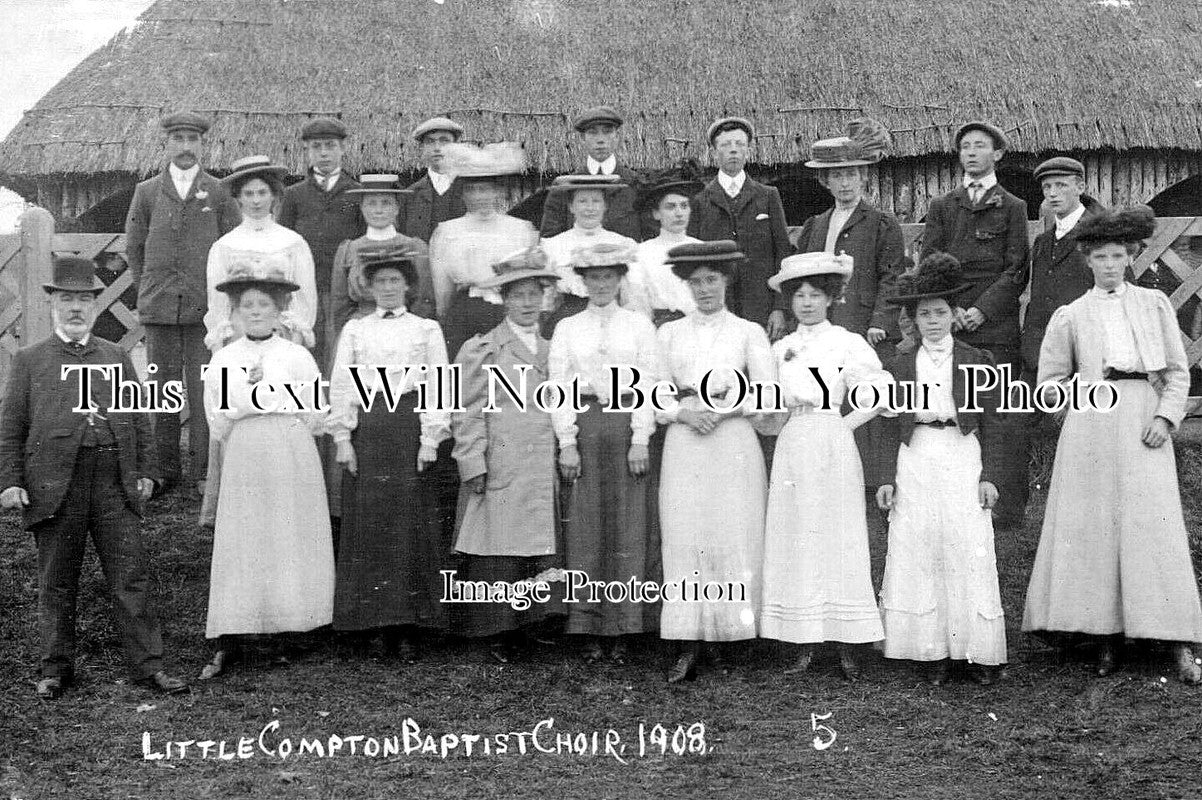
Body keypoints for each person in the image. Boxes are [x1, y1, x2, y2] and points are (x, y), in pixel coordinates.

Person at [1022, 206, 1202, 684]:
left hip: (1145, 415)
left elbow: (1178, 372)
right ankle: (1103, 636)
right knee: (1096, 527)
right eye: (1099, 257)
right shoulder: (1072, 315)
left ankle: (1172, 635)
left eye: (1117, 255)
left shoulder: (1154, 304)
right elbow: (1050, 380)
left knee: (1151, 522)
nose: (1108, 264)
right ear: (1088, 260)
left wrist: (1166, 416)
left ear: (1130, 257)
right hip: (1094, 418)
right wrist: (1075, 414)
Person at [0, 256, 187, 699]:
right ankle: (55, 668)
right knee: (57, 579)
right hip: (54, 483)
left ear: (96, 306)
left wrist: (146, 472)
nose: (76, 308)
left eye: (84, 299)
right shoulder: (30, 361)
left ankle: (149, 665)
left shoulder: (116, 356)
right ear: (53, 305)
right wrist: (10, 481)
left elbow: (139, 417)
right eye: (67, 299)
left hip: (112, 480)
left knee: (130, 574)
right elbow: (11, 427)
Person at [875, 253, 1008, 686]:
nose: (933, 321)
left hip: (961, 452)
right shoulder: (898, 364)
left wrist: (991, 475)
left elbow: (996, 422)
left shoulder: (976, 358)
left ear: (954, 316)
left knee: (965, 542)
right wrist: (885, 479)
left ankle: (976, 652)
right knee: (920, 544)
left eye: (940, 313)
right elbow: (884, 425)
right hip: (915, 454)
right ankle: (928, 651)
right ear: (912, 320)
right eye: (924, 314)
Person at [197, 266, 333, 680]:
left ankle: (286, 629)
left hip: (290, 447)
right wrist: (250, 408)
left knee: (286, 533)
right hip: (246, 449)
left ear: (280, 312)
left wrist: (282, 418)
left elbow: (314, 411)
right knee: (246, 534)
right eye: (246, 306)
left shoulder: (296, 356)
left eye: (264, 305)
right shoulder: (224, 358)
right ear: (234, 314)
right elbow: (217, 417)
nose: (255, 313)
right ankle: (236, 632)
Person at [759, 252, 887, 680]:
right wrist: (782, 405)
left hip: (833, 442)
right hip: (794, 444)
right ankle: (804, 639)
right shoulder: (779, 348)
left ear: (830, 299)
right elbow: (765, 410)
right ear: (790, 301)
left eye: (816, 294)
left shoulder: (847, 342)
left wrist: (844, 422)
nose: (808, 303)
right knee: (798, 533)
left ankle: (846, 641)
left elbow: (877, 391)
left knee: (838, 532)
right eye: (799, 295)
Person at [655, 241, 773, 683]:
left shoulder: (748, 331)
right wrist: (684, 412)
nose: (704, 289)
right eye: (695, 282)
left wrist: (724, 410)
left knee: (730, 531)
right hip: (685, 438)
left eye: (711, 280)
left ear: (726, 281)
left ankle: (728, 637)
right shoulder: (668, 334)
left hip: (732, 439)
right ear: (685, 286)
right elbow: (654, 389)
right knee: (687, 533)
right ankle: (689, 640)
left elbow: (766, 391)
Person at [327, 244, 451, 660]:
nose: (387, 288)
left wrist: (430, 439)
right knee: (372, 525)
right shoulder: (356, 330)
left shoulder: (426, 329)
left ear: (408, 285)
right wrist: (344, 438)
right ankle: (374, 623)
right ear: (368, 287)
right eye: (379, 281)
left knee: (411, 524)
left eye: (395, 281)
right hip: (370, 428)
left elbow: (438, 383)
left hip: (409, 427)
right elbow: (343, 383)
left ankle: (411, 623)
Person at [451, 246, 563, 663]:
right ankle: (496, 629)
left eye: (535, 294)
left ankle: (533, 624)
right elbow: (468, 409)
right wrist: (472, 460)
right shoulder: (485, 348)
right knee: (498, 542)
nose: (528, 303)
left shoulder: (556, 348)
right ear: (504, 299)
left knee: (538, 540)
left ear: (547, 297)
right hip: (502, 458)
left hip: (542, 460)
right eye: (518, 295)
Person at [550, 241, 659, 664]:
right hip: (586, 424)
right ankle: (587, 625)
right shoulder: (568, 327)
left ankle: (625, 626)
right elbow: (559, 388)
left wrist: (639, 438)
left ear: (619, 280)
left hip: (626, 423)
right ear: (583, 282)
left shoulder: (638, 325)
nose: (601, 285)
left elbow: (649, 383)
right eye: (593, 278)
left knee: (629, 527)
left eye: (608, 277)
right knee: (586, 527)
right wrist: (568, 443)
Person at [919, 120, 1030, 529]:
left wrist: (980, 311)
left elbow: (1017, 270)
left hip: (994, 329)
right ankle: (954, 505)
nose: (971, 153)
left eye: (979, 146)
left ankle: (1004, 509)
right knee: (955, 410)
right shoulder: (942, 206)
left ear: (997, 154)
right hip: (950, 328)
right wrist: (953, 310)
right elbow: (929, 263)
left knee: (998, 412)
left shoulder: (1014, 207)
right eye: (965, 146)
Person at [124, 111, 239, 498]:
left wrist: (221, 303)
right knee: (162, 389)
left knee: (205, 389)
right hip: (160, 309)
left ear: (203, 145)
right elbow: (134, 248)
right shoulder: (147, 192)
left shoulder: (219, 192)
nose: (186, 147)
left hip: (206, 312)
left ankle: (204, 472)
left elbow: (231, 246)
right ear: (167, 144)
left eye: (193, 140)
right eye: (179, 139)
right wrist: (149, 290)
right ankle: (162, 471)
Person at [199, 155, 318, 528]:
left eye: (262, 192)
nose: (255, 200)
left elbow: (304, 300)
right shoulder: (224, 245)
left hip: (282, 338)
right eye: (248, 194)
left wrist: (295, 337)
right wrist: (222, 341)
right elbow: (217, 303)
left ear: (274, 196)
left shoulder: (293, 242)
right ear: (237, 200)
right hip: (239, 338)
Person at [798, 118, 905, 491]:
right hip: (826, 333)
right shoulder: (815, 225)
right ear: (826, 182)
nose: (845, 183)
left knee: (867, 411)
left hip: (864, 330)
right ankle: (834, 487)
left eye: (852, 175)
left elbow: (893, 277)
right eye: (837, 176)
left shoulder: (880, 223)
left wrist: (880, 321)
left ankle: (876, 488)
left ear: (863, 178)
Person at [429, 142, 538, 358]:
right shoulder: (447, 232)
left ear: (498, 191)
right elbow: (443, 294)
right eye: (472, 190)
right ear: (463, 195)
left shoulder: (520, 228)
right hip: (466, 313)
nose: (479, 196)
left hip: (510, 310)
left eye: (485, 189)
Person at [689, 117, 793, 339]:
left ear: (749, 150)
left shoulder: (768, 196)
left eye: (739, 144)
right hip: (717, 309)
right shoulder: (700, 201)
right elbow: (693, 263)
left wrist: (780, 308)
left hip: (762, 309)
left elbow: (783, 254)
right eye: (726, 145)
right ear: (714, 152)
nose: (733, 151)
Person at [277, 118, 365, 366]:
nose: (324, 153)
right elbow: (284, 241)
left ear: (343, 148)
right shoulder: (294, 195)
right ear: (307, 150)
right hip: (305, 286)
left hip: (343, 288)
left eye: (330, 145)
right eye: (317, 147)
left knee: (341, 346)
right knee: (307, 343)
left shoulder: (356, 193)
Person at [1018, 157, 1107, 385]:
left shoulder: (1101, 235)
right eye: (1047, 187)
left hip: (1083, 360)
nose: (1052, 193)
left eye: (1061, 185)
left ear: (1080, 187)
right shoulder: (1042, 242)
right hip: (1038, 360)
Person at [330, 174, 433, 332]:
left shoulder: (415, 247)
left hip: (405, 329)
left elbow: (423, 301)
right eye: (371, 203)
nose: (378, 210)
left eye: (386, 203)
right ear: (362, 208)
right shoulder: (348, 250)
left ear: (397, 208)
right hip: (361, 330)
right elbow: (339, 306)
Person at [540, 174, 640, 337]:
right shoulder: (552, 245)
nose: (590, 208)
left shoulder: (623, 243)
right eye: (582, 201)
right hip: (568, 319)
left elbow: (631, 295)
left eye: (596, 201)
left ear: (605, 206)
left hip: (614, 319)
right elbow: (547, 299)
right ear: (571, 207)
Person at [539, 106, 651, 241]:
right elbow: (549, 242)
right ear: (582, 138)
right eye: (592, 133)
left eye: (607, 132)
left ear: (617, 136)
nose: (600, 140)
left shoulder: (636, 184)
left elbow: (650, 241)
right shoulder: (565, 186)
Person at [626, 168, 704, 327]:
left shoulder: (701, 249)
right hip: (659, 330)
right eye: (670, 207)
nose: (679, 213)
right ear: (656, 213)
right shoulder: (642, 253)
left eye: (684, 206)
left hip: (700, 329)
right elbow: (638, 303)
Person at [401, 117, 467, 243]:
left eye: (444, 141)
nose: (437, 147)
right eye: (430, 142)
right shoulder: (409, 196)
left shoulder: (470, 190)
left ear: (456, 146)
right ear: (422, 149)